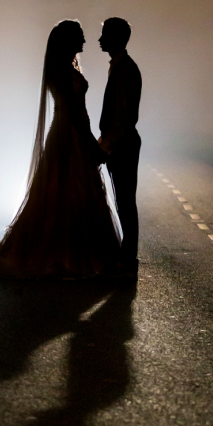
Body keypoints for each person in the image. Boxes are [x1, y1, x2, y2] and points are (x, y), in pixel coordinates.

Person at [0, 20, 121, 278]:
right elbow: (73, 112)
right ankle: (67, 253)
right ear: (68, 41)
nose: (84, 40)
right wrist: (90, 143)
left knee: (74, 191)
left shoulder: (63, 67)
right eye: (79, 36)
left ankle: (77, 252)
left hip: (73, 133)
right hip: (68, 135)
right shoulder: (61, 69)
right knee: (64, 190)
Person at [97, 18, 142, 276]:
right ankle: (127, 255)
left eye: (105, 35)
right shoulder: (120, 66)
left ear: (116, 38)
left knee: (125, 201)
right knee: (123, 199)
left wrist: (106, 147)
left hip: (123, 145)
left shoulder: (124, 69)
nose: (100, 39)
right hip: (122, 144)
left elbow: (121, 115)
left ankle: (128, 258)